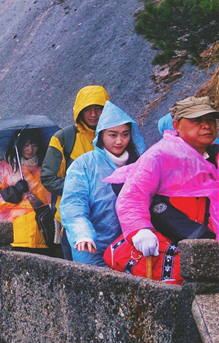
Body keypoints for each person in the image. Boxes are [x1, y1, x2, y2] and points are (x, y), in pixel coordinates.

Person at [115, 96, 219, 258]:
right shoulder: (158, 156)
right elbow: (133, 196)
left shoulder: (216, 155)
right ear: (176, 125)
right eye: (197, 120)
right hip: (173, 243)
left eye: (211, 120)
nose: (207, 126)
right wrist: (139, 229)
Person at [60, 102, 146, 267]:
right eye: (112, 135)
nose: (120, 141)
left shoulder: (142, 163)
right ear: (101, 135)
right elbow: (74, 204)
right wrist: (82, 233)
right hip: (92, 247)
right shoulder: (84, 165)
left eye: (125, 134)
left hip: (132, 246)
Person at [41, 85, 110, 259]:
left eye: (98, 108)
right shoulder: (64, 138)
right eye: (87, 109)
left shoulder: (115, 135)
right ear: (79, 110)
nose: (93, 114)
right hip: (72, 222)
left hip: (111, 220)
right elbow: (49, 178)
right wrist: (83, 190)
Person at [0, 129, 52, 251]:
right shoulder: (5, 168)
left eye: (34, 145)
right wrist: (14, 191)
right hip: (16, 233)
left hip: (42, 232)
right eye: (26, 145)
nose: (30, 149)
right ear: (18, 145)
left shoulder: (46, 168)